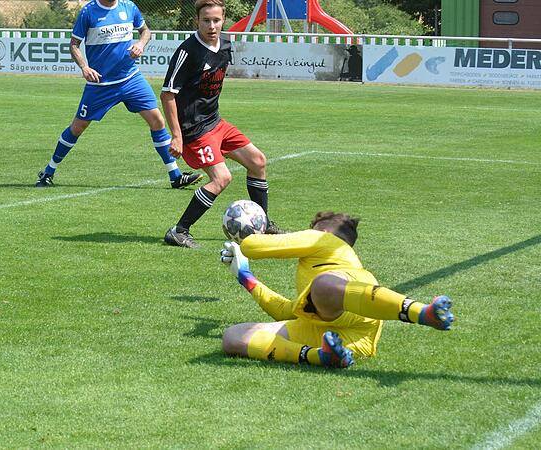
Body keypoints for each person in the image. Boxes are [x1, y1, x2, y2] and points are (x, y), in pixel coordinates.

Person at [219, 212, 455, 368]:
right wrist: (246, 277)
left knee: (323, 285)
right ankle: (320, 356)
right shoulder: (318, 280)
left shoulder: (326, 243)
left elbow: (251, 245)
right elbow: (287, 312)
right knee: (234, 337)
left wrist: (248, 240)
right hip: (343, 338)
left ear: (322, 233)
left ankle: (422, 313)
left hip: (355, 313)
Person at [34, 0, 202, 190]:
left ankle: (175, 176)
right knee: (78, 127)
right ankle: (48, 172)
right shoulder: (88, 12)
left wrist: (140, 44)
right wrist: (84, 67)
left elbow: (145, 31)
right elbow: (74, 45)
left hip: (131, 78)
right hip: (101, 84)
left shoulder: (128, 7)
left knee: (157, 121)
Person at [161, 0, 282, 249]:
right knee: (221, 178)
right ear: (197, 21)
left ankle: (264, 223)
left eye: (216, 20)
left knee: (258, 161)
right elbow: (168, 94)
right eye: (206, 20)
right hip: (194, 130)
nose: (212, 25)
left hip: (215, 122)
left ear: (223, 19)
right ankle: (179, 230)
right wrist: (177, 136)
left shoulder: (226, 43)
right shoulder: (188, 51)